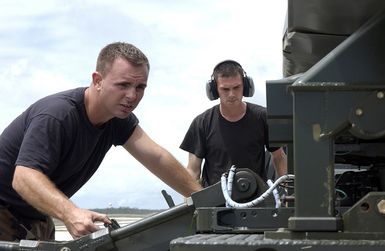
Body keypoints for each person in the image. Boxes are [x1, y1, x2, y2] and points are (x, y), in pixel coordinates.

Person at [0, 42, 202, 241]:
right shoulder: (57, 115)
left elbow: (156, 157)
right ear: (98, 81)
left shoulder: (117, 119)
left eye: (140, 87)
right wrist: (71, 213)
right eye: (123, 85)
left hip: (36, 215)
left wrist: (206, 199)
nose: (132, 96)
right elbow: (23, 177)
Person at [180, 60, 287, 187]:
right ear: (214, 90)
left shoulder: (263, 117)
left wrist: (287, 195)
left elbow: (279, 158)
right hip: (214, 203)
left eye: (236, 88)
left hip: (257, 200)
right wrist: (193, 201)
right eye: (225, 89)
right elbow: (193, 170)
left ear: (246, 86)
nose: (231, 94)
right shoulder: (202, 123)